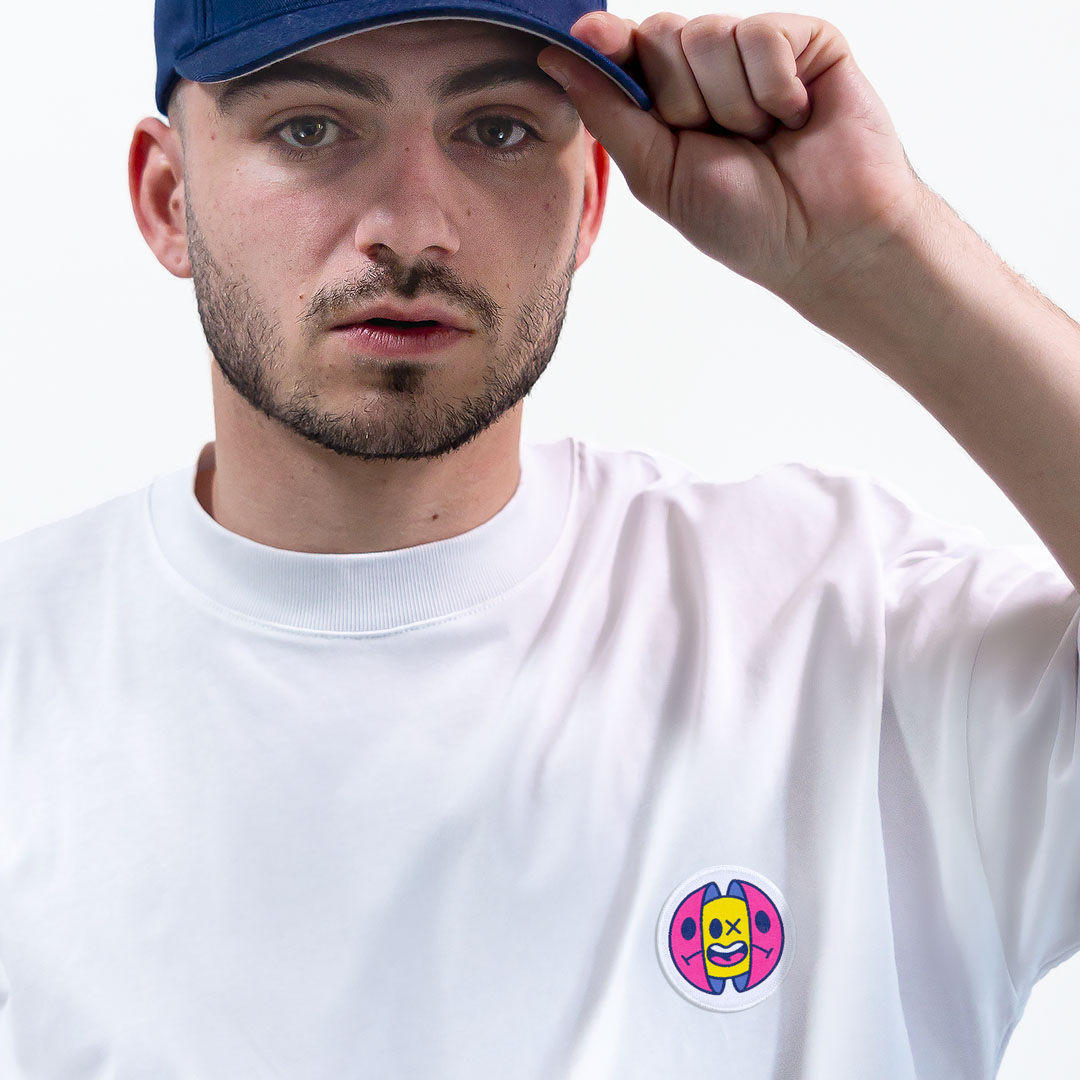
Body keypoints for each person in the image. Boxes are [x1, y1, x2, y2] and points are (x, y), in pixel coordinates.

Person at [1, 0, 1078, 1075]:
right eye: (311, 129)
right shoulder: (25, 682)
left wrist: (879, 252)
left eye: (499, 130)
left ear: (593, 199)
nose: (414, 229)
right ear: (167, 199)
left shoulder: (839, 632)